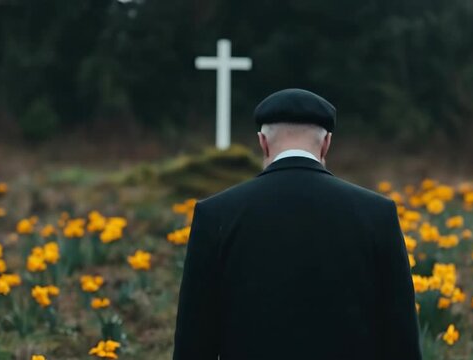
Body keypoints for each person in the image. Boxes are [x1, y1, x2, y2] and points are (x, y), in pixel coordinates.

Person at [173, 89, 421, 360]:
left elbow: (193, 344)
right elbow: (402, 341)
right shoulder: (377, 214)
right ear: (326, 143)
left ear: (262, 142)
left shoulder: (215, 215)